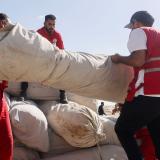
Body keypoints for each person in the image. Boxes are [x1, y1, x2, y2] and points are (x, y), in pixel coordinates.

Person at [111, 10, 160, 160]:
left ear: (136, 22)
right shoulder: (157, 35)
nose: (131, 30)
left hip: (149, 92)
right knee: (157, 134)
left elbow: (138, 60)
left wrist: (118, 58)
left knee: (122, 129)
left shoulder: (139, 32)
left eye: (131, 26)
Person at [37, 14, 68, 104]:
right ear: (44, 23)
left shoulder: (57, 34)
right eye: (50, 24)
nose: (52, 27)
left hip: (53, 59)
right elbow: (34, 48)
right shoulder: (38, 33)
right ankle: (23, 92)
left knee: (63, 65)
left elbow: (62, 51)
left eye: (53, 24)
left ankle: (62, 94)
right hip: (40, 58)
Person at [0, 13, 14, 160]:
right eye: (3, 23)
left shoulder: (8, 45)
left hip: (0, 102)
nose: (5, 27)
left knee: (6, 143)